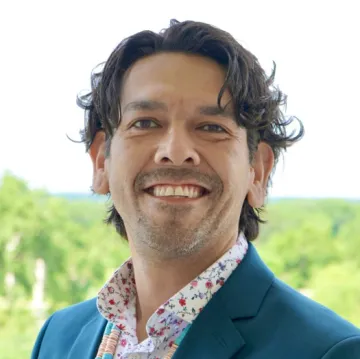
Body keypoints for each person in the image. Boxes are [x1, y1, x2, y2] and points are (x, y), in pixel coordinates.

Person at [31, 19, 360, 359]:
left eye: (210, 127)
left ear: (258, 171)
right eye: (145, 123)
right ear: (101, 162)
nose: (174, 150)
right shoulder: (57, 338)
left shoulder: (330, 351)